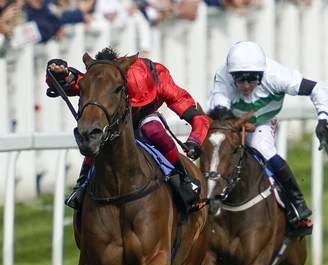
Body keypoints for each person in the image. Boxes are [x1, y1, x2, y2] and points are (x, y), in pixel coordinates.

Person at [46, 46, 209, 211]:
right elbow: (76, 82)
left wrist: (195, 140)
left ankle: (185, 179)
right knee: (95, 138)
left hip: (144, 118)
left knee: (153, 131)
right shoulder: (103, 76)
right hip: (115, 123)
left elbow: (194, 114)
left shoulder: (156, 75)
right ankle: (81, 185)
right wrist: (59, 74)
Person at [206, 40, 328, 234]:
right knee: (215, 150)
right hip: (231, 122)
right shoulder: (224, 77)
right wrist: (233, 125)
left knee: (261, 146)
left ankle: (297, 203)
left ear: (262, 75)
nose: (246, 85)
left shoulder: (277, 76)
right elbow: (219, 106)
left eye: (252, 79)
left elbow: (318, 88)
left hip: (263, 121)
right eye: (240, 79)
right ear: (232, 76)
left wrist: (323, 119)